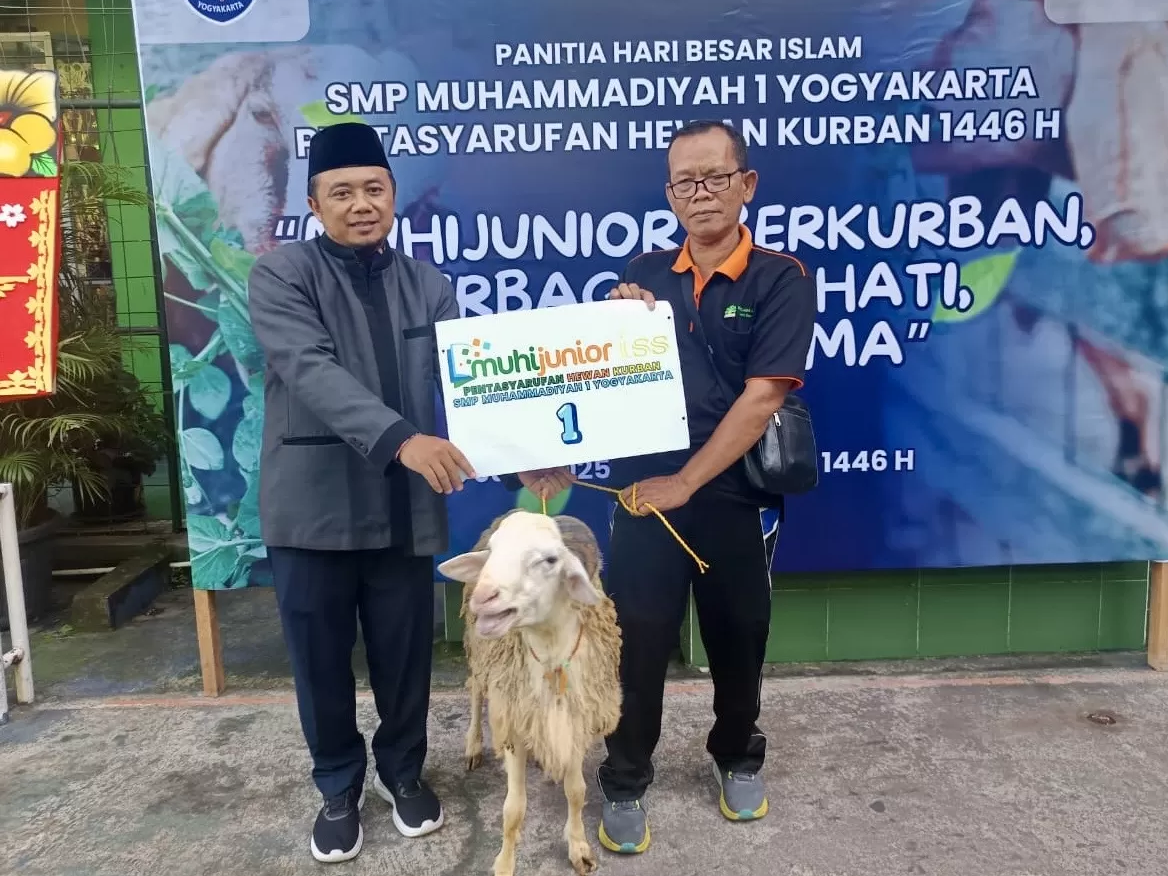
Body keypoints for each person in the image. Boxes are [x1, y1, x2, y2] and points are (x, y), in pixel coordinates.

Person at [512, 119, 817, 853]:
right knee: (639, 641)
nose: (701, 192)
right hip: (644, 496)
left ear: (747, 185)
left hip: (732, 497)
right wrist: (561, 457)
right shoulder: (641, 279)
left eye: (716, 177)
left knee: (739, 636)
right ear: (670, 194)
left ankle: (737, 754)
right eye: (685, 181)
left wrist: (689, 478)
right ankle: (624, 779)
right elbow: (600, 386)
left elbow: (763, 397)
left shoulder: (781, 277)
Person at [247, 121, 476, 864]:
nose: (360, 204)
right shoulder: (282, 276)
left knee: (405, 657)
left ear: (393, 196)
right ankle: (338, 786)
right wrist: (406, 439)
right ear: (314, 203)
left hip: (403, 512)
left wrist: (534, 442)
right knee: (320, 661)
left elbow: (473, 379)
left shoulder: (429, 285)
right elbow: (310, 371)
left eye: (373, 189)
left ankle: (403, 773)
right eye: (341, 192)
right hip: (311, 508)